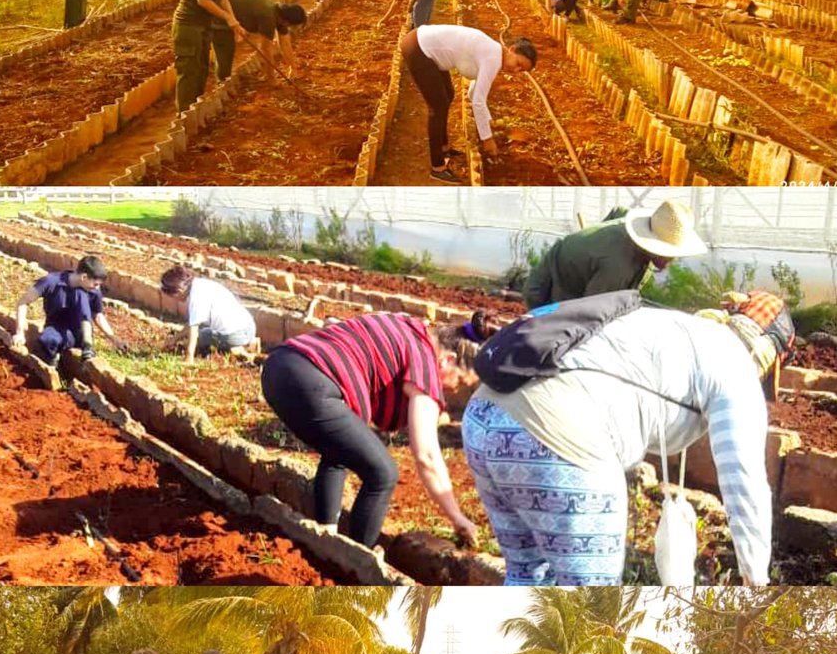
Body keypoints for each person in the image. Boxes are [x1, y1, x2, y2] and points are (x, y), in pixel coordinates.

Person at [464, 285, 792, 587]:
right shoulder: (735, 362)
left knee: (528, 578)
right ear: (768, 353)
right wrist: (755, 583)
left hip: (483, 418)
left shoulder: (673, 326)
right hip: (553, 438)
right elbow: (744, 484)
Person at [260, 310, 487, 550]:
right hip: (313, 383)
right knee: (383, 474)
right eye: (460, 382)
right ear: (448, 360)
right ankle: (358, 562)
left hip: (279, 367)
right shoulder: (426, 367)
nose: (453, 390)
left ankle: (325, 537)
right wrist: (457, 518)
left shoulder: (406, 326)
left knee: (338, 452)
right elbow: (427, 455)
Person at [399, 24, 537, 183]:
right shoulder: (493, 58)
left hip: (424, 45)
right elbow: (478, 101)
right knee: (438, 106)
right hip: (419, 48)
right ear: (512, 49)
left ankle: (444, 148)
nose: (516, 70)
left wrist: (489, 122)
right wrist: (487, 139)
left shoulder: (494, 54)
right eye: (518, 63)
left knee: (447, 95)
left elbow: (473, 93)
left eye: (521, 70)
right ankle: (437, 167)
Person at [522, 200, 707, 308]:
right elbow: (589, 312)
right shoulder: (618, 266)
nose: (670, 260)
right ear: (651, 244)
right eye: (666, 254)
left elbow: (618, 211)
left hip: (581, 276)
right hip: (548, 284)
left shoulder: (633, 232)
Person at [172, 0, 247, 112]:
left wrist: (234, 22)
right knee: (189, 71)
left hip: (203, 25)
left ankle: (194, 110)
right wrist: (227, 18)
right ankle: (183, 115)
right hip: (188, 25)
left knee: (202, 68)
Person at [13, 254, 126, 368]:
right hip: (56, 328)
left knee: (80, 294)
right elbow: (22, 303)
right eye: (95, 284)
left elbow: (97, 315)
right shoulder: (51, 281)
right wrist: (19, 333)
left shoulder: (93, 291)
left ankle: (87, 347)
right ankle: (54, 361)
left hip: (81, 331)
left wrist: (114, 339)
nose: (97, 288)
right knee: (47, 340)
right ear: (84, 277)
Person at [159, 266, 259, 363]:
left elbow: (193, 329)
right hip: (249, 328)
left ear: (179, 291)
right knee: (204, 328)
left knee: (202, 336)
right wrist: (175, 339)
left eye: (172, 296)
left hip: (235, 334)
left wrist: (189, 357)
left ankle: (237, 348)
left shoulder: (196, 298)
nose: (175, 300)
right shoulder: (200, 284)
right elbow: (193, 322)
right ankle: (249, 342)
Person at [210, 0, 307, 82]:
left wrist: (292, 68)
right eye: (291, 25)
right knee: (225, 50)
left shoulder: (279, 13)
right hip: (215, 3)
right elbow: (266, 49)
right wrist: (271, 78)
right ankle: (222, 82)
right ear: (287, 22)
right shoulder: (267, 16)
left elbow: (285, 43)